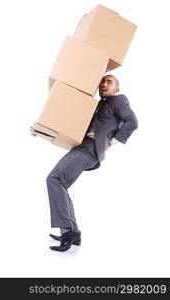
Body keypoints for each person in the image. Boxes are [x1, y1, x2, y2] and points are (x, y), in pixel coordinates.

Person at [30, 73, 138, 252]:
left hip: (91, 149)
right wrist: (41, 130)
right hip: (81, 147)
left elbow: (132, 122)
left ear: (116, 88)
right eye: (102, 81)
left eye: (109, 82)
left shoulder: (119, 100)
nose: (104, 84)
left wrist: (111, 143)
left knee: (54, 180)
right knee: (60, 184)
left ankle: (67, 232)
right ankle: (73, 231)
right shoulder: (95, 105)